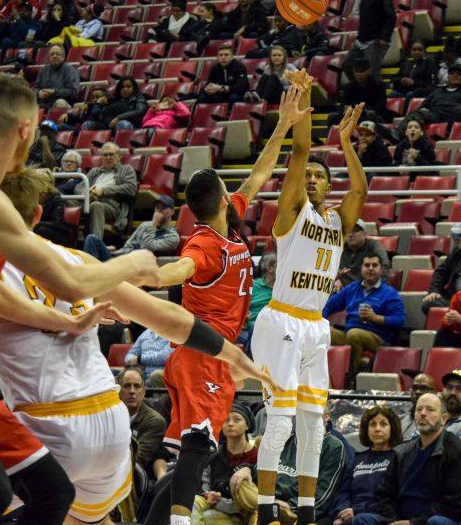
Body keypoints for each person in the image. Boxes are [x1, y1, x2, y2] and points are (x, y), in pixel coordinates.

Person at [0, 75, 250, 525]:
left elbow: (7, 299)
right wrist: (132, 263)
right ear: (25, 129)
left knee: (11, 493)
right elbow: (74, 285)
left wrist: (67, 322)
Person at [148, 84, 315, 525]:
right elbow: (179, 271)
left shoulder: (229, 222)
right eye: (227, 186)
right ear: (221, 200)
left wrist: (283, 123)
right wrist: (151, 276)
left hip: (210, 354)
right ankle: (181, 523)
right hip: (202, 352)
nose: (234, 189)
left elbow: (259, 173)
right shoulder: (205, 244)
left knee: (191, 452)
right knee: (199, 448)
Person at [246, 65, 366, 525]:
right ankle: (265, 511)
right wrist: (304, 99)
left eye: (319, 176)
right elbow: (299, 150)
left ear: (328, 187)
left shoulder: (338, 221)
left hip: (316, 327)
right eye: (308, 176)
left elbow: (360, 187)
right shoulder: (291, 216)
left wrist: (348, 145)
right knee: (279, 420)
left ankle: (308, 512)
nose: (312, 179)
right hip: (282, 321)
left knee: (313, 424)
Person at [351, 392, 461, 525]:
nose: (423, 414)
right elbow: (385, 494)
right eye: (419, 409)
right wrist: (393, 519)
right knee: (362, 519)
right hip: (401, 518)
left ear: (443, 419)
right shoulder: (402, 451)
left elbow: (456, 504)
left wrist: (414, 522)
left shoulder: (458, 452)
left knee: (437, 522)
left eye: (430, 410)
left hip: (438, 519)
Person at [325, 252, 405, 373]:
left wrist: (375, 317)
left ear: (381, 269)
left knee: (354, 334)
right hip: (349, 334)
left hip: (378, 338)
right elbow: (328, 306)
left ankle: (350, 378)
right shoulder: (352, 288)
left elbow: (400, 320)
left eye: (374, 265)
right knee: (323, 332)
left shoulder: (390, 293)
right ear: (361, 268)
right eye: (367, 265)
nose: (370, 268)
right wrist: (322, 322)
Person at [187, 402, 259, 525]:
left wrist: (220, 503)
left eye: (237, 420)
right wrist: (207, 494)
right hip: (216, 504)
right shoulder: (213, 455)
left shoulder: (257, 455)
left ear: (247, 425)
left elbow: (252, 501)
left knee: (208, 517)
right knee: (194, 501)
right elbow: (204, 484)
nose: (230, 423)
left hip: (245, 512)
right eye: (226, 420)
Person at [332, 405, 403, 525]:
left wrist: (357, 511)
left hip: (381, 516)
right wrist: (341, 513)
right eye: (373, 424)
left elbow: (393, 498)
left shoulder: (398, 458)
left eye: (383, 424)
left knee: (361, 519)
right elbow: (343, 492)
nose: (377, 429)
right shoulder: (357, 459)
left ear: (392, 428)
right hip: (352, 514)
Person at [84, 195, 179, 261]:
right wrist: (117, 251)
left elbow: (147, 247)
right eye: (157, 208)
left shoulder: (172, 237)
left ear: (172, 212)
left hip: (134, 265)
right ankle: (89, 276)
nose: (158, 211)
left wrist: (153, 225)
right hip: (120, 258)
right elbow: (128, 245)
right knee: (92, 239)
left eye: (163, 208)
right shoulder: (145, 225)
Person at [73, 142, 137, 238]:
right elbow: (78, 187)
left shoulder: (127, 169)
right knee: (61, 200)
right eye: (105, 155)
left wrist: (103, 191)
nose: (108, 157)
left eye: (111, 154)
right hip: (87, 202)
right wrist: (85, 193)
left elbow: (130, 188)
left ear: (119, 156)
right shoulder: (94, 171)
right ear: (101, 157)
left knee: (96, 205)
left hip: (111, 206)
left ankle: (95, 245)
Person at [343, 0, 395, 75]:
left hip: (375, 40)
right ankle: (360, 89)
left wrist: (384, 37)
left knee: (373, 73)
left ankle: (376, 92)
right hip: (361, 39)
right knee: (347, 64)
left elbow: (391, 16)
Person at [118, 368, 166, 475]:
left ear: (143, 392)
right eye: (127, 386)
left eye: (137, 386)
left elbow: (138, 458)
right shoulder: (110, 416)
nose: (132, 391)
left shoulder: (155, 421)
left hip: (136, 478)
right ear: (119, 391)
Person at [336, 219, 390, 289]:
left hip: (366, 288)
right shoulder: (339, 247)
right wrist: (335, 279)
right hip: (343, 290)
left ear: (365, 234)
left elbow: (384, 271)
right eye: (348, 231)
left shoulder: (375, 247)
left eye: (355, 231)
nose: (350, 234)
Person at [341, 59, 392, 123]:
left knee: (369, 114)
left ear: (369, 71)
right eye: (356, 71)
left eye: (362, 71)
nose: (359, 74)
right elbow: (343, 105)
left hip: (375, 116)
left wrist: (359, 110)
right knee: (333, 117)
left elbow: (380, 107)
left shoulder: (378, 85)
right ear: (353, 72)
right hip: (353, 115)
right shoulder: (348, 87)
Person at [245, 252, 277, 347]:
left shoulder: (282, 290)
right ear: (270, 268)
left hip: (275, 326)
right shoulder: (252, 286)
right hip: (253, 325)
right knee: (257, 326)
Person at [34, 44, 79, 109]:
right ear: (49, 57)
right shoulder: (43, 70)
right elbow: (36, 88)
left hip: (63, 103)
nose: (54, 56)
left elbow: (73, 92)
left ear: (63, 57)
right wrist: (38, 93)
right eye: (52, 54)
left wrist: (54, 92)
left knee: (60, 103)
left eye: (57, 54)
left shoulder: (69, 69)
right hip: (44, 104)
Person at [399, 373, 438, 439]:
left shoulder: (438, 423)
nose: (418, 392)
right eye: (414, 388)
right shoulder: (402, 419)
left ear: (434, 393)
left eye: (423, 388)